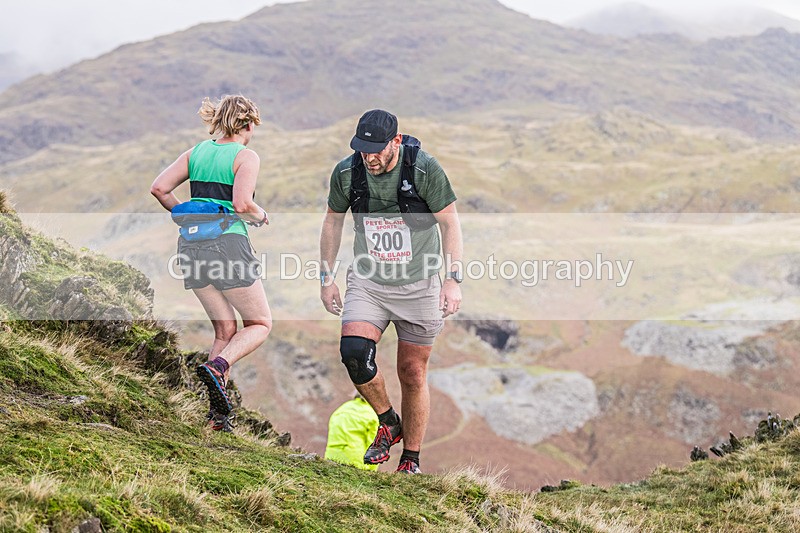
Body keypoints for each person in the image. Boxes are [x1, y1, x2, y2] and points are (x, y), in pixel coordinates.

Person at [319, 109, 463, 474]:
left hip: (420, 284)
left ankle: (410, 460)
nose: (369, 157)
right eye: (362, 149)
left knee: (412, 372)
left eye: (376, 150)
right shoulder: (347, 173)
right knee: (354, 353)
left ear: (396, 141)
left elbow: (450, 224)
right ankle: (388, 421)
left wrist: (452, 280)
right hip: (369, 281)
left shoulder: (423, 169)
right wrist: (326, 278)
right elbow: (332, 223)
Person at [150, 94, 272, 431]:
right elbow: (243, 204)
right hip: (228, 245)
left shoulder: (196, 152)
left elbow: (159, 188)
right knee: (260, 324)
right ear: (248, 124)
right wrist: (261, 216)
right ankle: (218, 368)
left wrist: (190, 215)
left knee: (225, 330)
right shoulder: (245, 156)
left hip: (191, 248)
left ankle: (217, 417)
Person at [324, 393, 379, 471]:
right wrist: (372, 470)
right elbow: (374, 445)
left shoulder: (342, 409)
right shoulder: (372, 414)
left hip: (331, 456)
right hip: (355, 460)